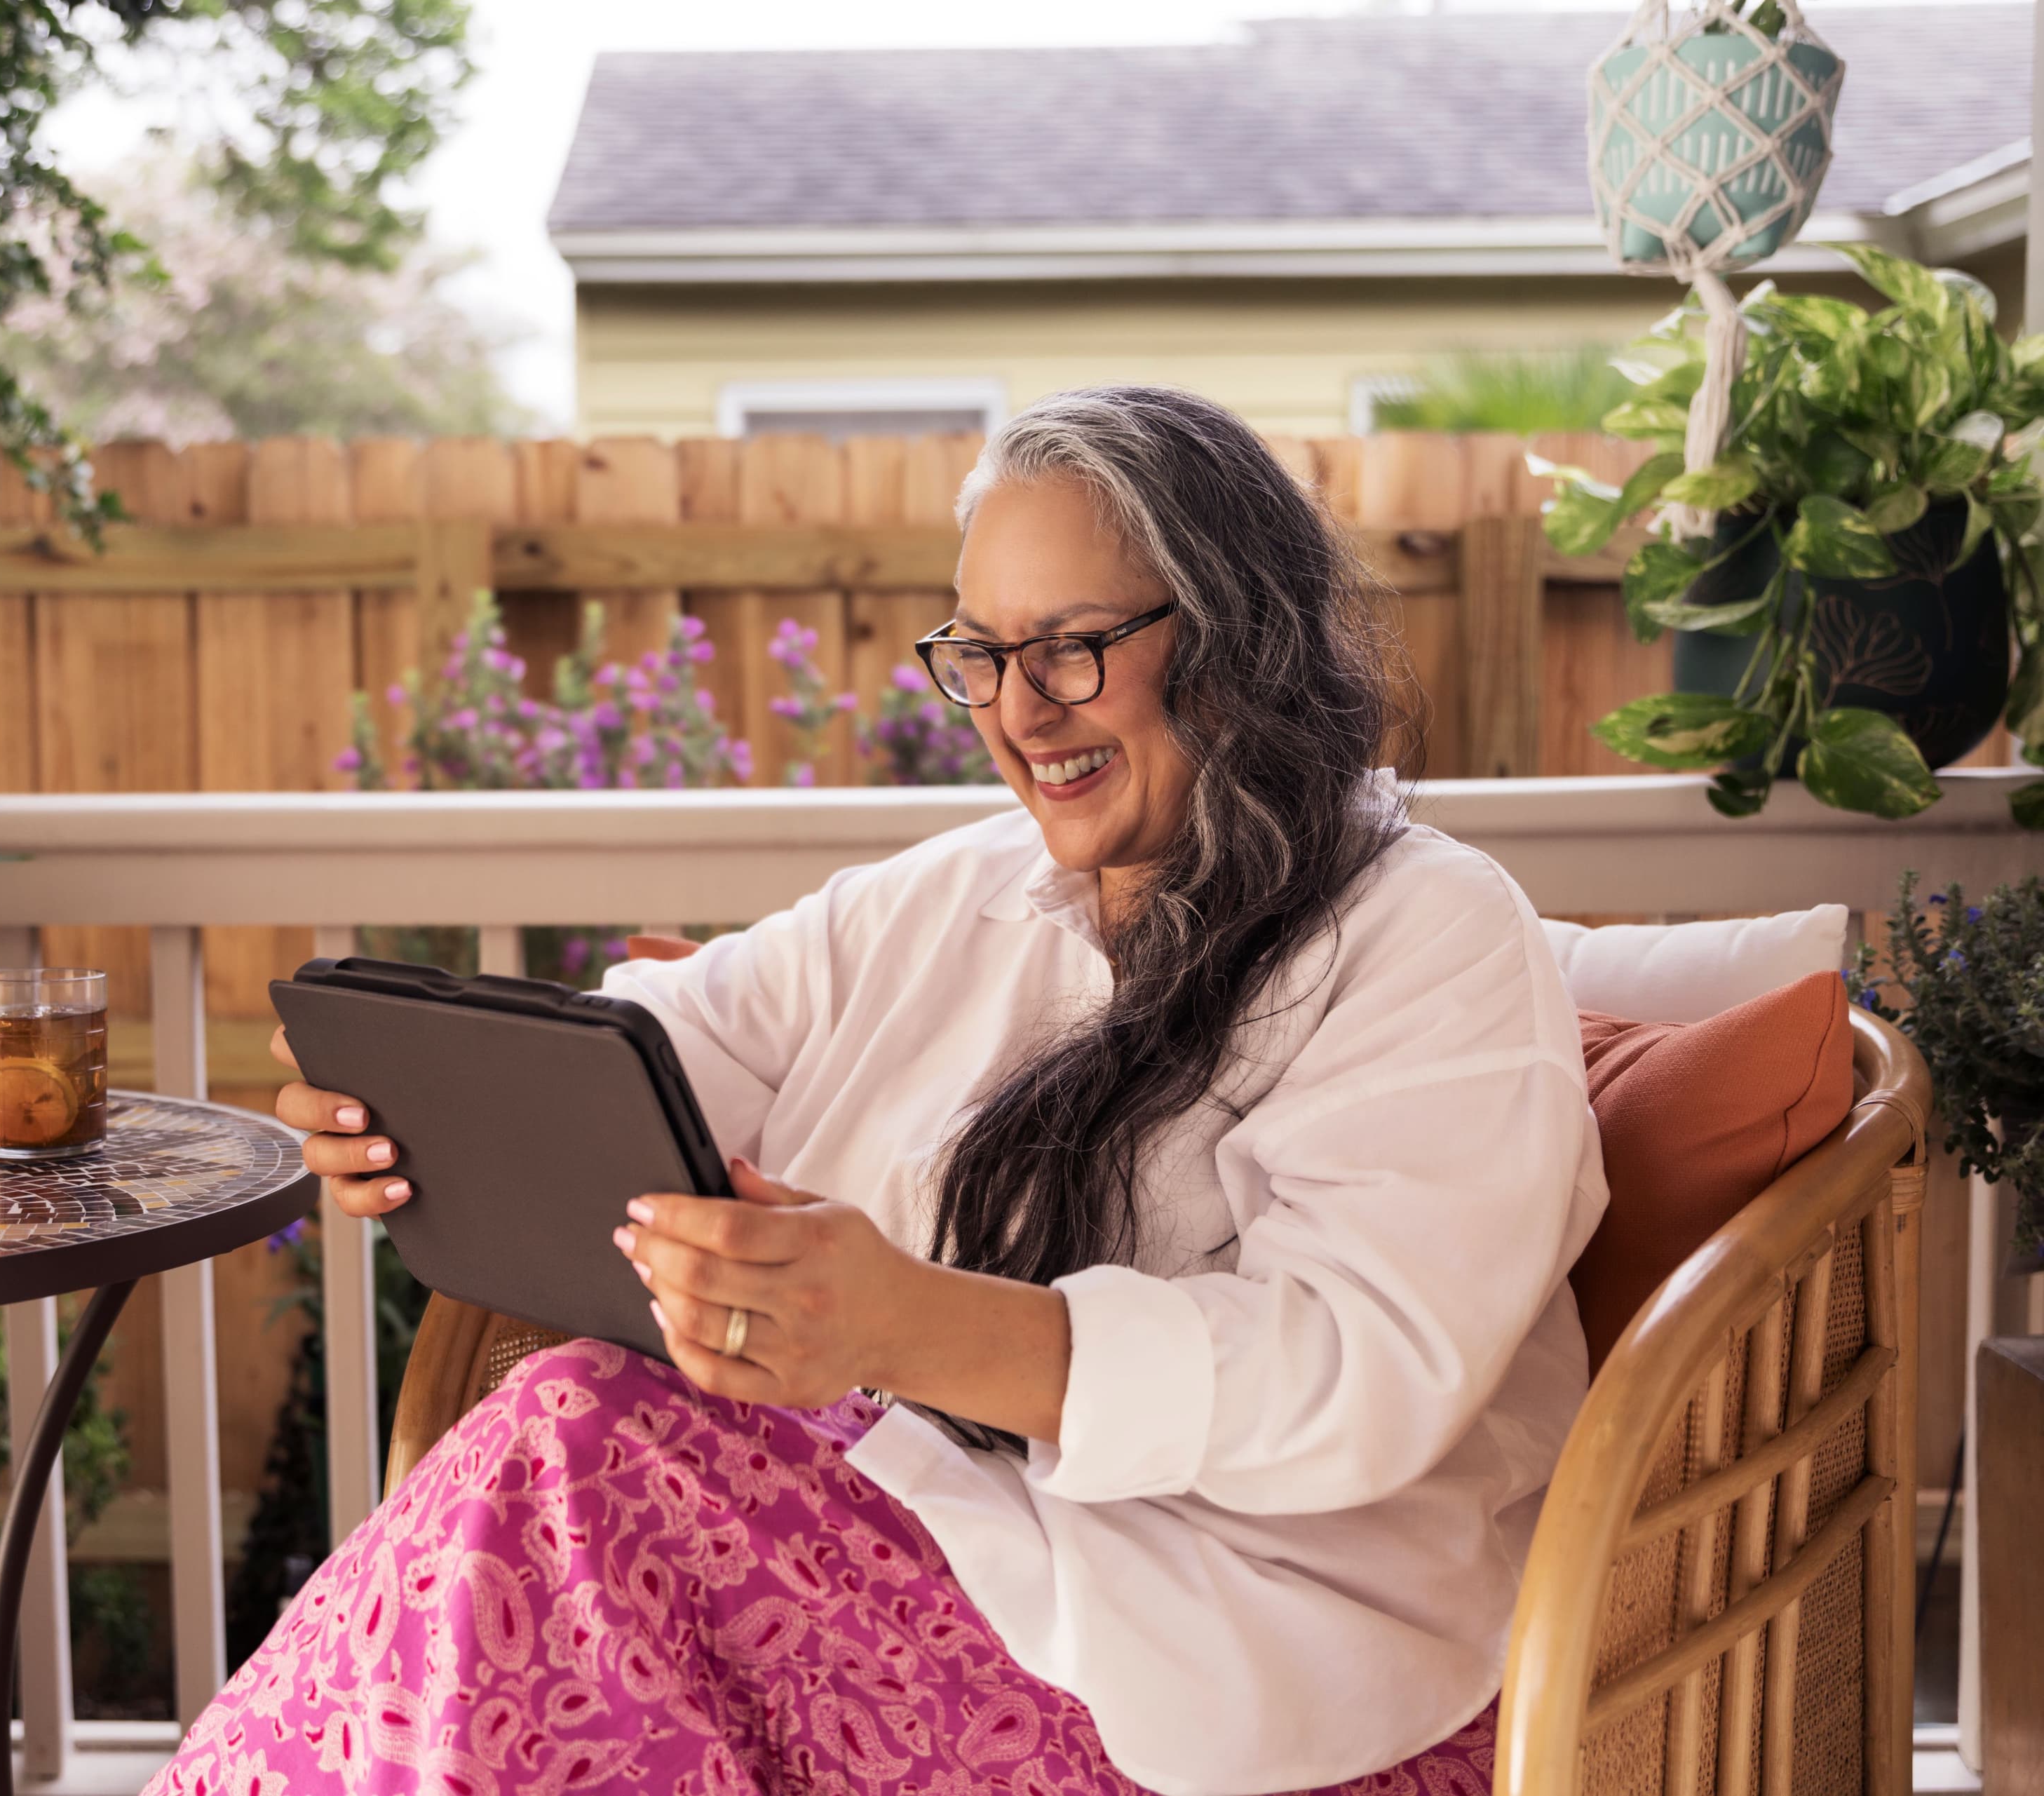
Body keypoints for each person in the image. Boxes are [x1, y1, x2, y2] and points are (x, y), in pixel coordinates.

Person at [148, 386, 1606, 1796]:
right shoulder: (950, 899)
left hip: (1247, 1666)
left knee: (580, 1451)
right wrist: (429, 1112)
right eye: (979, 653)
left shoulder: (1425, 929)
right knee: (568, 1450)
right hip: (948, 1542)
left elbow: (1354, 1369)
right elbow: (658, 1044)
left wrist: (908, 1325)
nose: (1020, 711)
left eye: (1073, 648)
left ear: (1236, 637)